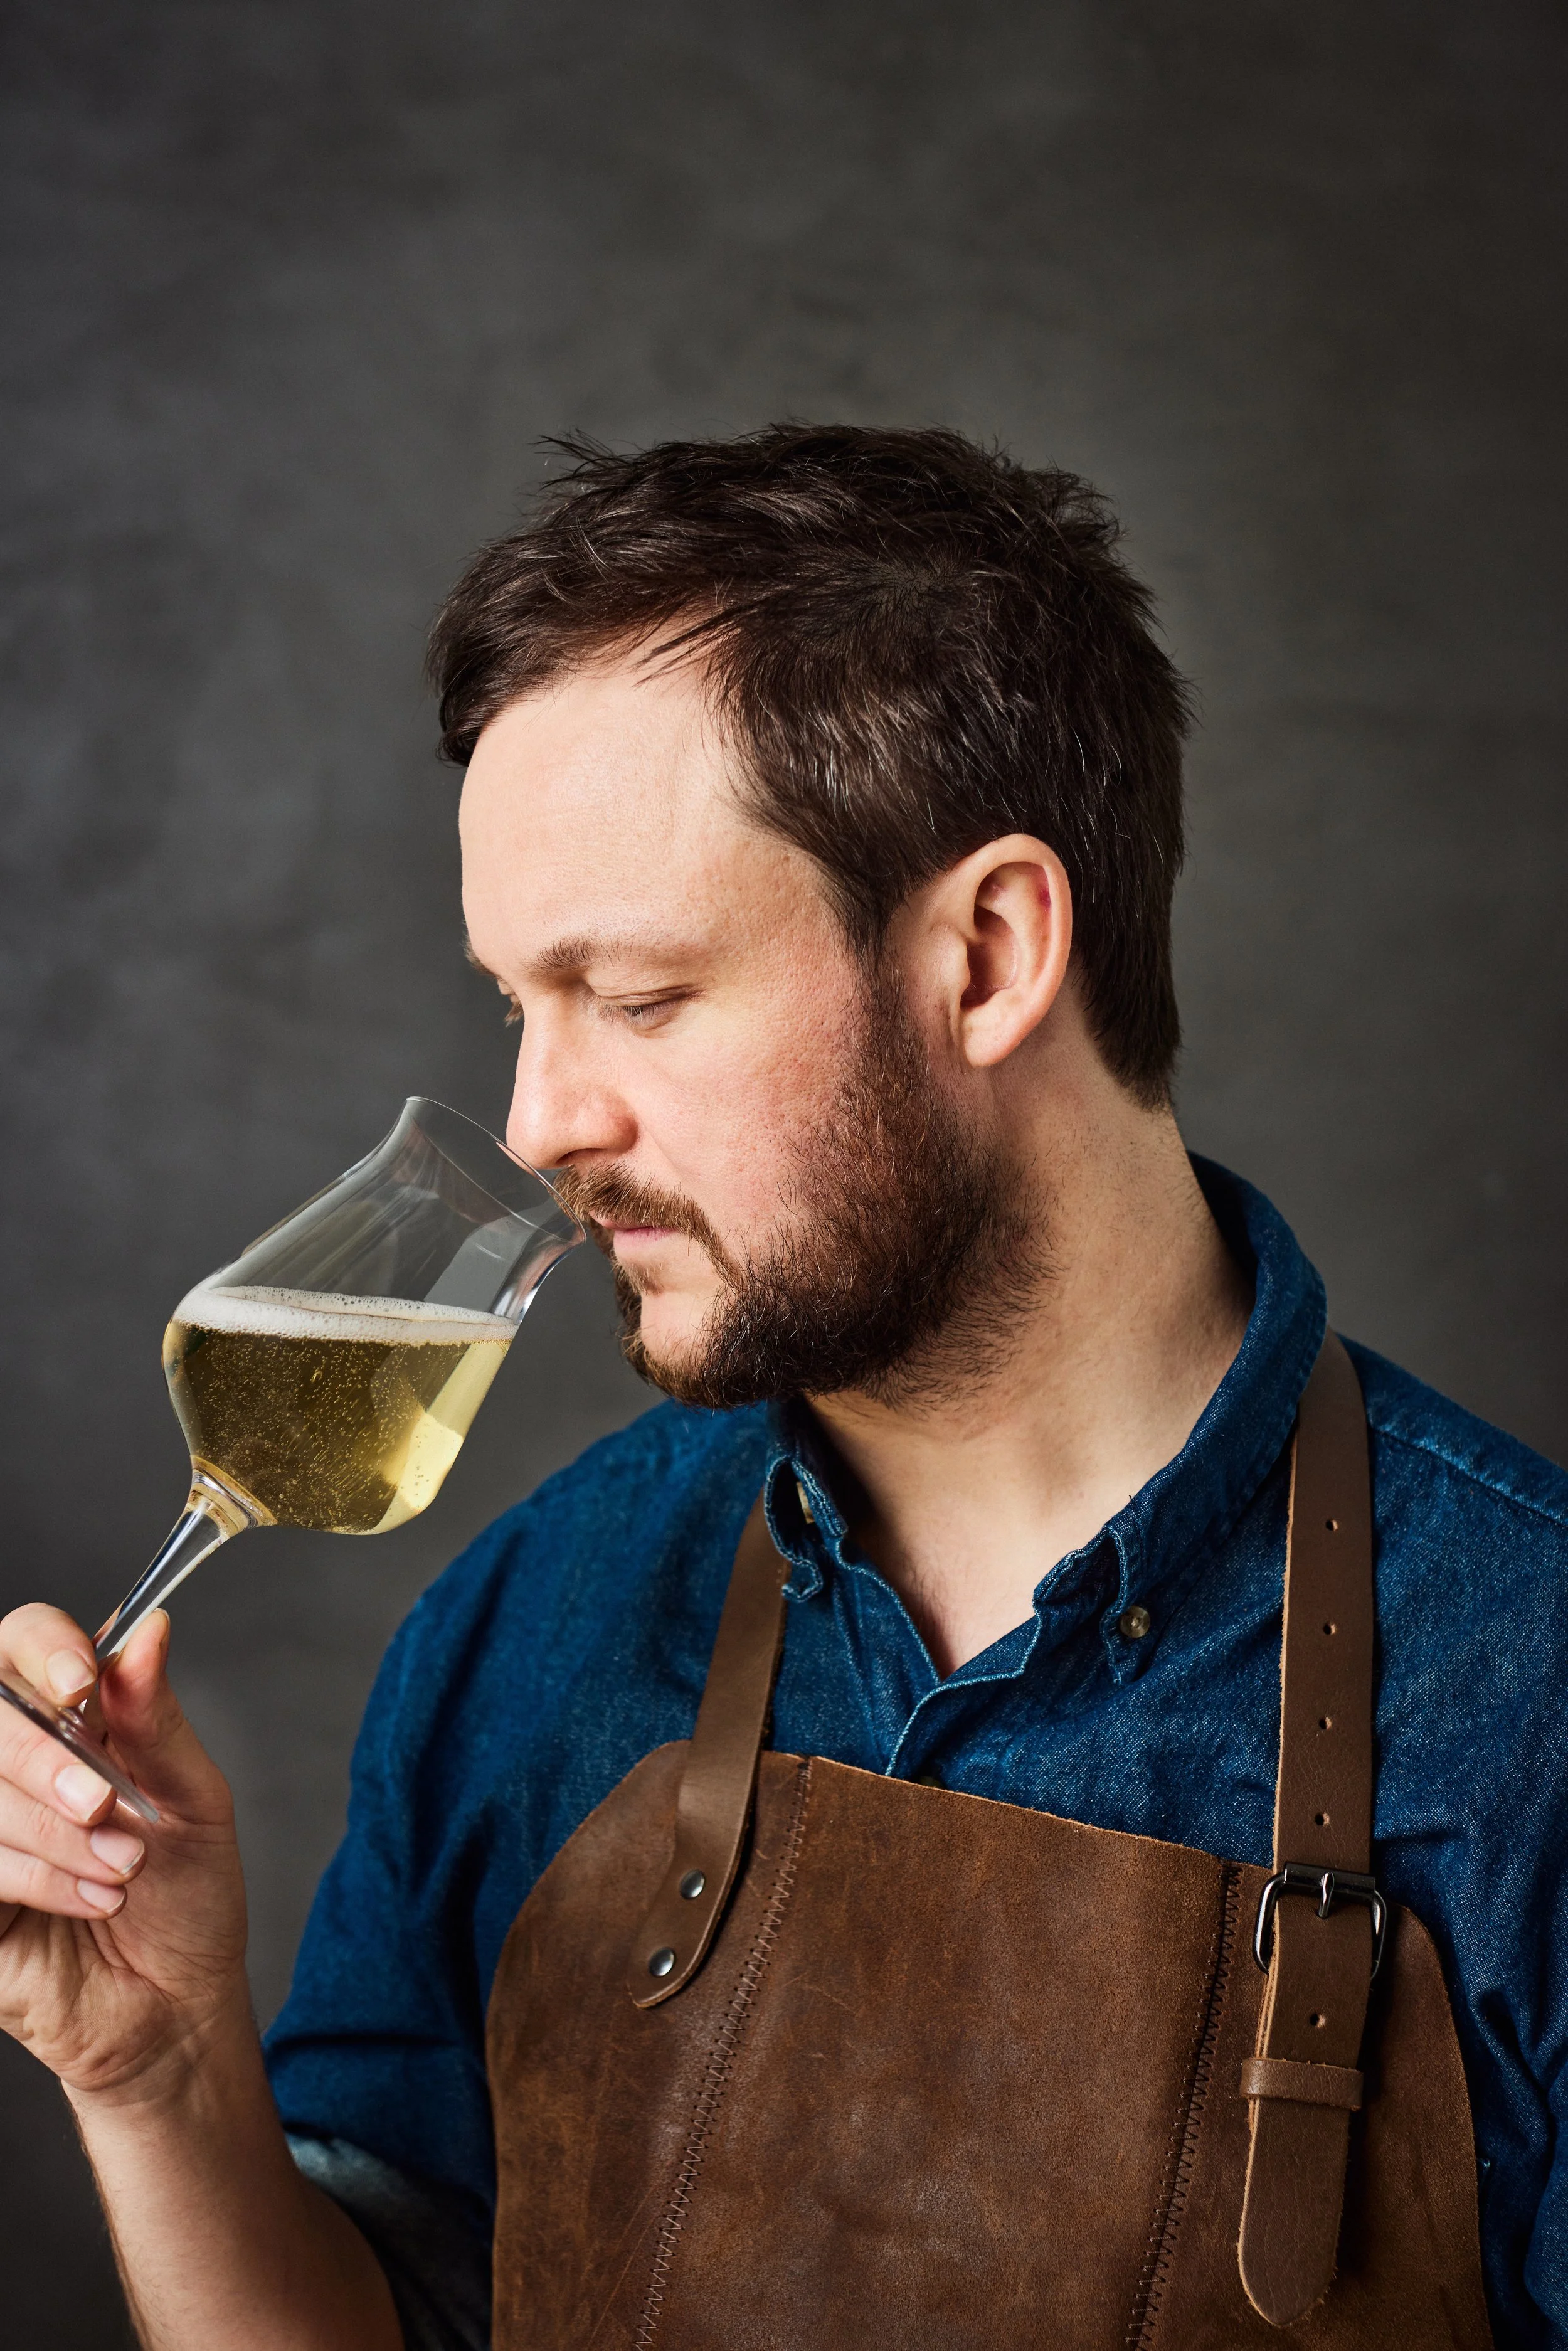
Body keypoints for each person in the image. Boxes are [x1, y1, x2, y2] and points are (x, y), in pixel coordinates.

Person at [0, 425, 1562, 2350]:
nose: (538, 1125)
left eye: (638, 996)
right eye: (517, 1004)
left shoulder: (1532, 1693)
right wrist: (156, 2073)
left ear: (985, 955)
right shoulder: (523, 1629)